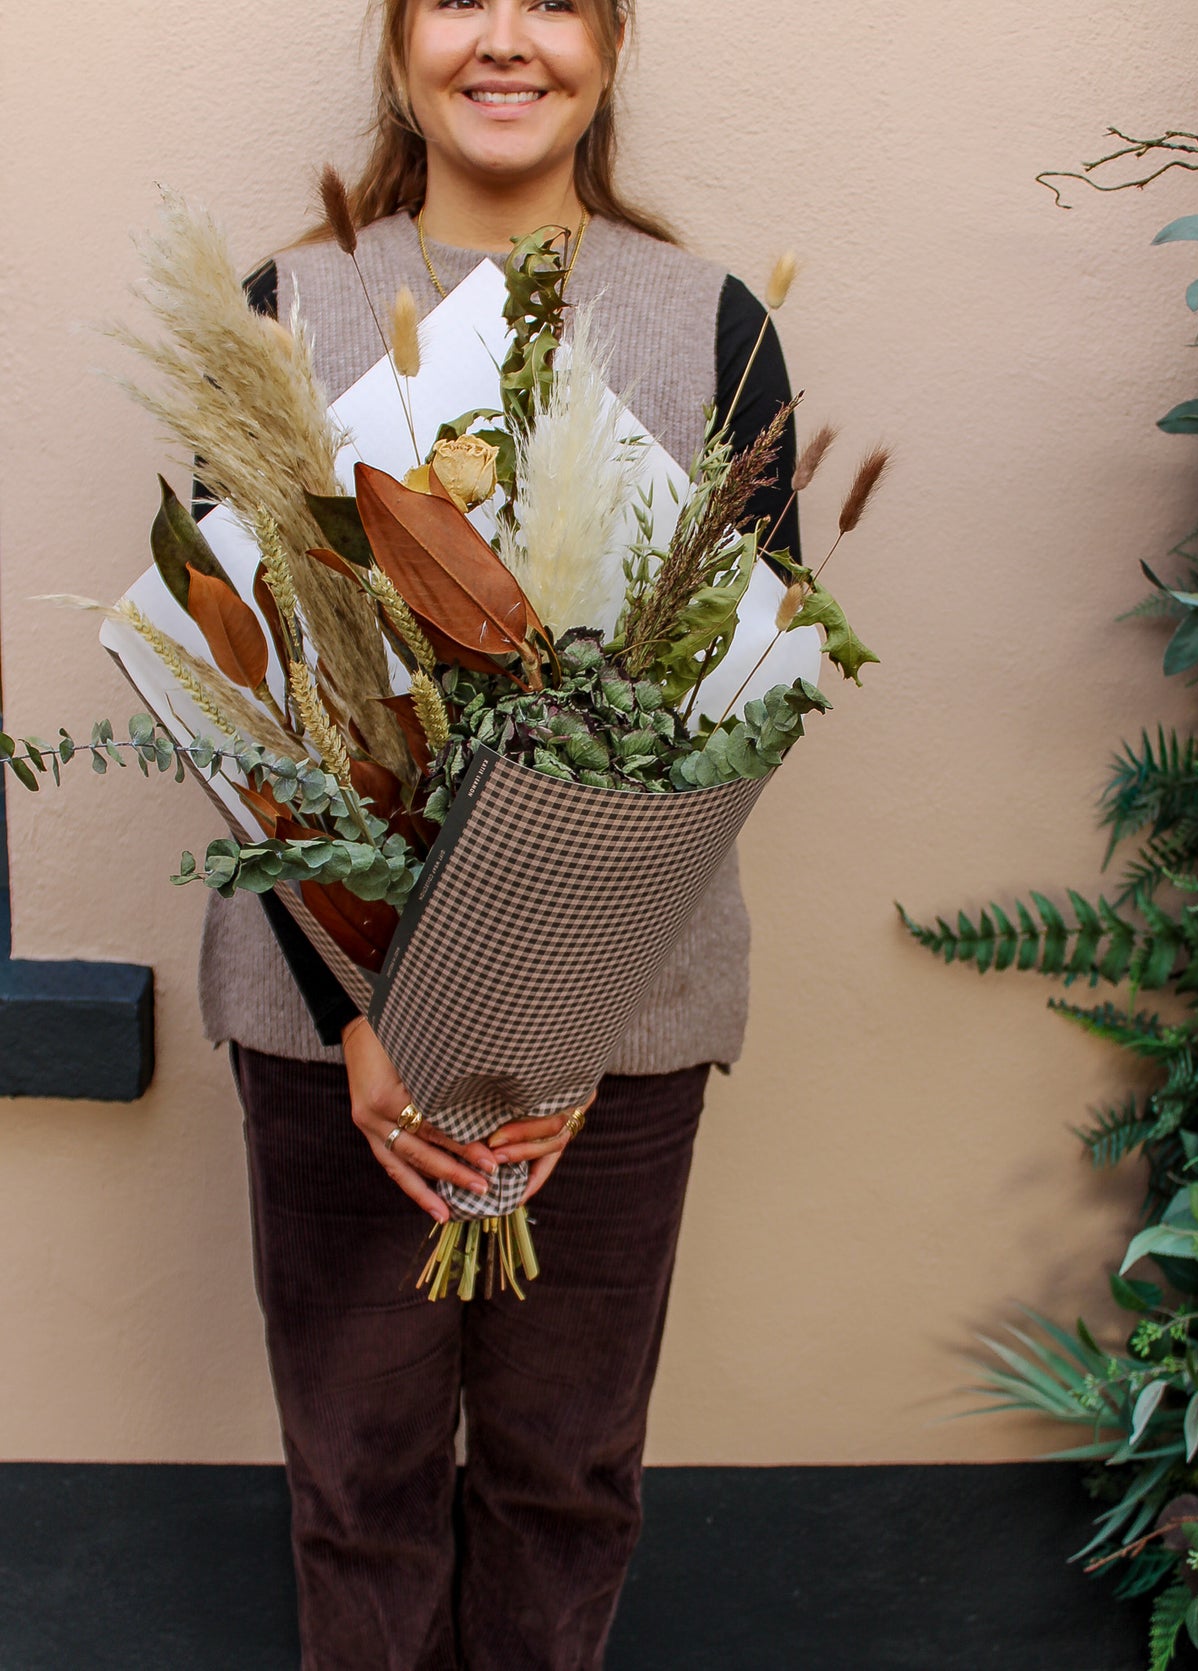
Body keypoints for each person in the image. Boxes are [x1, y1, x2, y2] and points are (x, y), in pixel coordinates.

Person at [197, 2, 801, 1665]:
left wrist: (550, 1019)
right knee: (361, 1482)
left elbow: (749, 687)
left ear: (609, 43)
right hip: (341, 1043)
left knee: (565, 1480)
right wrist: (371, 1017)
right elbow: (229, 686)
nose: (506, 39)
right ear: (397, 46)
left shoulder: (714, 324)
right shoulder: (281, 312)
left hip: (626, 1032)